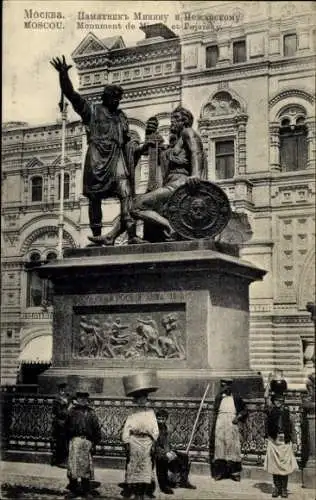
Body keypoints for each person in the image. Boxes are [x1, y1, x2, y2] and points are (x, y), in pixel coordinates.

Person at [50, 55, 151, 246]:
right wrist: (63, 74)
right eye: (114, 98)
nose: (117, 101)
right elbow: (71, 95)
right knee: (94, 198)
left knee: (126, 193)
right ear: (106, 97)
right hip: (96, 160)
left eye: (119, 98)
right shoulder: (92, 111)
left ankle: (131, 235)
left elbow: (128, 142)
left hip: (117, 158)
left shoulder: (122, 116)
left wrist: (141, 148)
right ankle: (97, 236)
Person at [130, 105, 206, 241]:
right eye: (172, 119)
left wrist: (195, 175)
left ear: (185, 121)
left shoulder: (188, 132)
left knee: (136, 207)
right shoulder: (176, 142)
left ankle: (170, 227)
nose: (172, 122)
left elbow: (196, 152)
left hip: (179, 184)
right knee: (139, 205)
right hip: (170, 184)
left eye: (176, 118)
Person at [121, 390, 159, 500]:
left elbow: (155, 429)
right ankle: (134, 491)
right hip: (134, 441)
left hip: (147, 441)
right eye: (139, 399)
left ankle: (143, 491)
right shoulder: (132, 412)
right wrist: (127, 441)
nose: (142, 401)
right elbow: (127, 428)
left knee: (145, 465)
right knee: (134, 464)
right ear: (136, 400)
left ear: (147, 400)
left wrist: (153, 442)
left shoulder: (151, 412)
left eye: (144, 399)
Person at [64, 387, 102, 498]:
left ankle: (86, 490)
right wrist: (68, 442)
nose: (82, 399)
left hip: (87, 442)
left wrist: (94, 443)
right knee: (73, 466)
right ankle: (73, 489)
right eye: (80, 397)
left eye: (85, 397)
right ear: (77, 398)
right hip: (75, 441)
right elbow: (66, 428)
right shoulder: (71, 412)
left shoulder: (91, 413)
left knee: (86, 467)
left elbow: (96, 429)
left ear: (87, 399)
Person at [209, 378, 248, 482]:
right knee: (219, 446)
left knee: (233, 446)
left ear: (230, 386)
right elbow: (215, 411)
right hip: (220, 423)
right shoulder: (219, 397)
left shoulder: (236, 397)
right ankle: (219, 473)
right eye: (222, 386)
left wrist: (238, 417)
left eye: (226, 385)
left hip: (231, 423)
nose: (224, 388)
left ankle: (235, 473)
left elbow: (244, 410)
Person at [264, 392, 298, 498]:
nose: (278, 403)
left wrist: (295, 442)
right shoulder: (271, 412)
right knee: (275, 466)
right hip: (274, 441)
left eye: (281, 401)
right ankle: (276, 488)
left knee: (285, 466)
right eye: (276, 401)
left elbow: (292, 429)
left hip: (285, 441)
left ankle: (284, 489)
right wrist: (267, 438)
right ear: (274, 402)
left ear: (283, 402)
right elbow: (266, 425)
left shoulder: (288, 414)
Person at [154, 409, 196, 494]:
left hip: (167, 451)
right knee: (162, 460)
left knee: (184, 457)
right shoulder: (154, 429)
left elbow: (167, 443)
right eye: (159, 418)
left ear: (166, 419)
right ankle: (164, 485)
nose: (161, 421)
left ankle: (183, 481)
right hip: (158, 453)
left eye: (163, 419)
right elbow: (155, 446)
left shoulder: (165, 428)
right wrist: (166, 453)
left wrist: (171, 451)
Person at [51, 382, 70, 468]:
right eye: (62, 390)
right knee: (60, 442)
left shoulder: (68, 398)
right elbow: (58, 412)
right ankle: (60, 461)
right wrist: (68, 410)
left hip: (67, 423)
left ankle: (65, 460)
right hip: (60, 423)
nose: (64, 392)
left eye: (65, 390)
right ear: (60, 390)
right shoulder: (57, 400)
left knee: (66, 442)